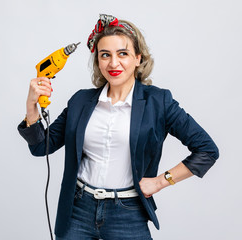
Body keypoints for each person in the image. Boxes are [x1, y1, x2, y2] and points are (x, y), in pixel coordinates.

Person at [18, 14, 219, 240]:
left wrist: (162, 181)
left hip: (128, 212)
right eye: (105, 55)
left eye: (123, 53)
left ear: (138, 58)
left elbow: (207, 149)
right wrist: (31, 106)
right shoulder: (80, 101)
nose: (114, 63)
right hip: (77, 211)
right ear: (98, 62)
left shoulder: (158, 102)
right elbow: (40, 148)